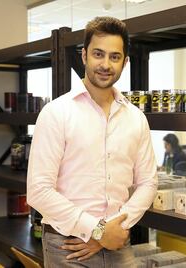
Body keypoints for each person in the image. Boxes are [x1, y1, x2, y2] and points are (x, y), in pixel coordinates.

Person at [27, 16, 157, 267]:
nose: (105, 64)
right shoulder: (57, 113)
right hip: (68, 247)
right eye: (98, 54)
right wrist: (97, 230)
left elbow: (148, 182)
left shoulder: (136, 118)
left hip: (119, 242)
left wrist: (111, 232)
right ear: (84, 56)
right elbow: (38, 190)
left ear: (125, 62)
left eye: (114, 57)